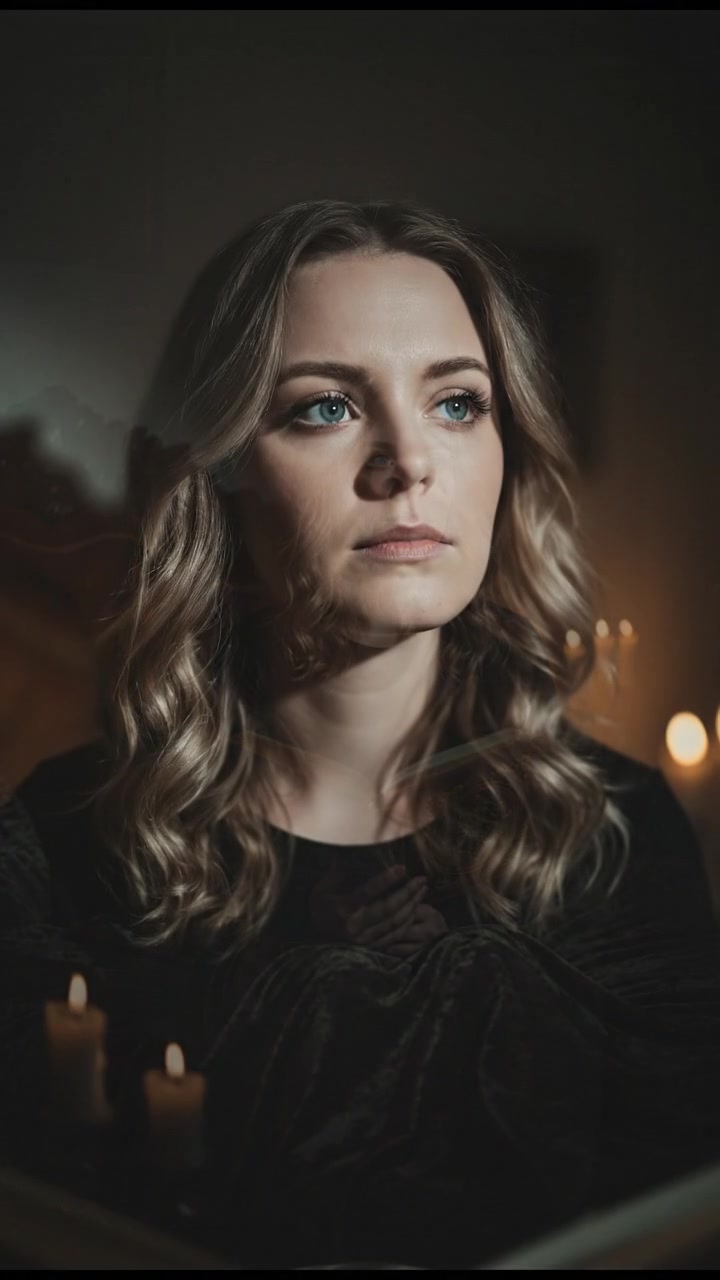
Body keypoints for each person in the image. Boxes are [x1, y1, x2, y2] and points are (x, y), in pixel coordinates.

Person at [2, 199, 720, 1269]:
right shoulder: (60, 843)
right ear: (219, 476)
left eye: (458, 402)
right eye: (327, 406)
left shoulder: (615, 830)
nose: (407, 461)